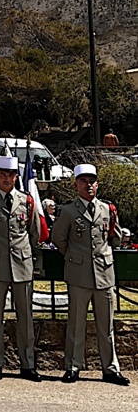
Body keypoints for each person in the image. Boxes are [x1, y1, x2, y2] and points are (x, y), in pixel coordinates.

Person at [51, 163, 130, 386]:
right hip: (79, 274)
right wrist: (76, 256)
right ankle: (73, 366)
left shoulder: (107, 209)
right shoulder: (68, 211)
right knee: (76, 324)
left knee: (106, 325)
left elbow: (114, 238)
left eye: (92, 181)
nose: (89, 185)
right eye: (84, 181)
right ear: (76, 184)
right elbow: (59, 239)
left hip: (104, 274)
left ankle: (111, 369)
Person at [0, 154, 41, 382]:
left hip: (22, 265)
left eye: (10, 175)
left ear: (16, 177)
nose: (6, 179)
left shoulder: (26, 200)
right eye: (2, 175)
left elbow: (34, 233)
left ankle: (28, 364)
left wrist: (23, 252)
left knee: (25, 316)